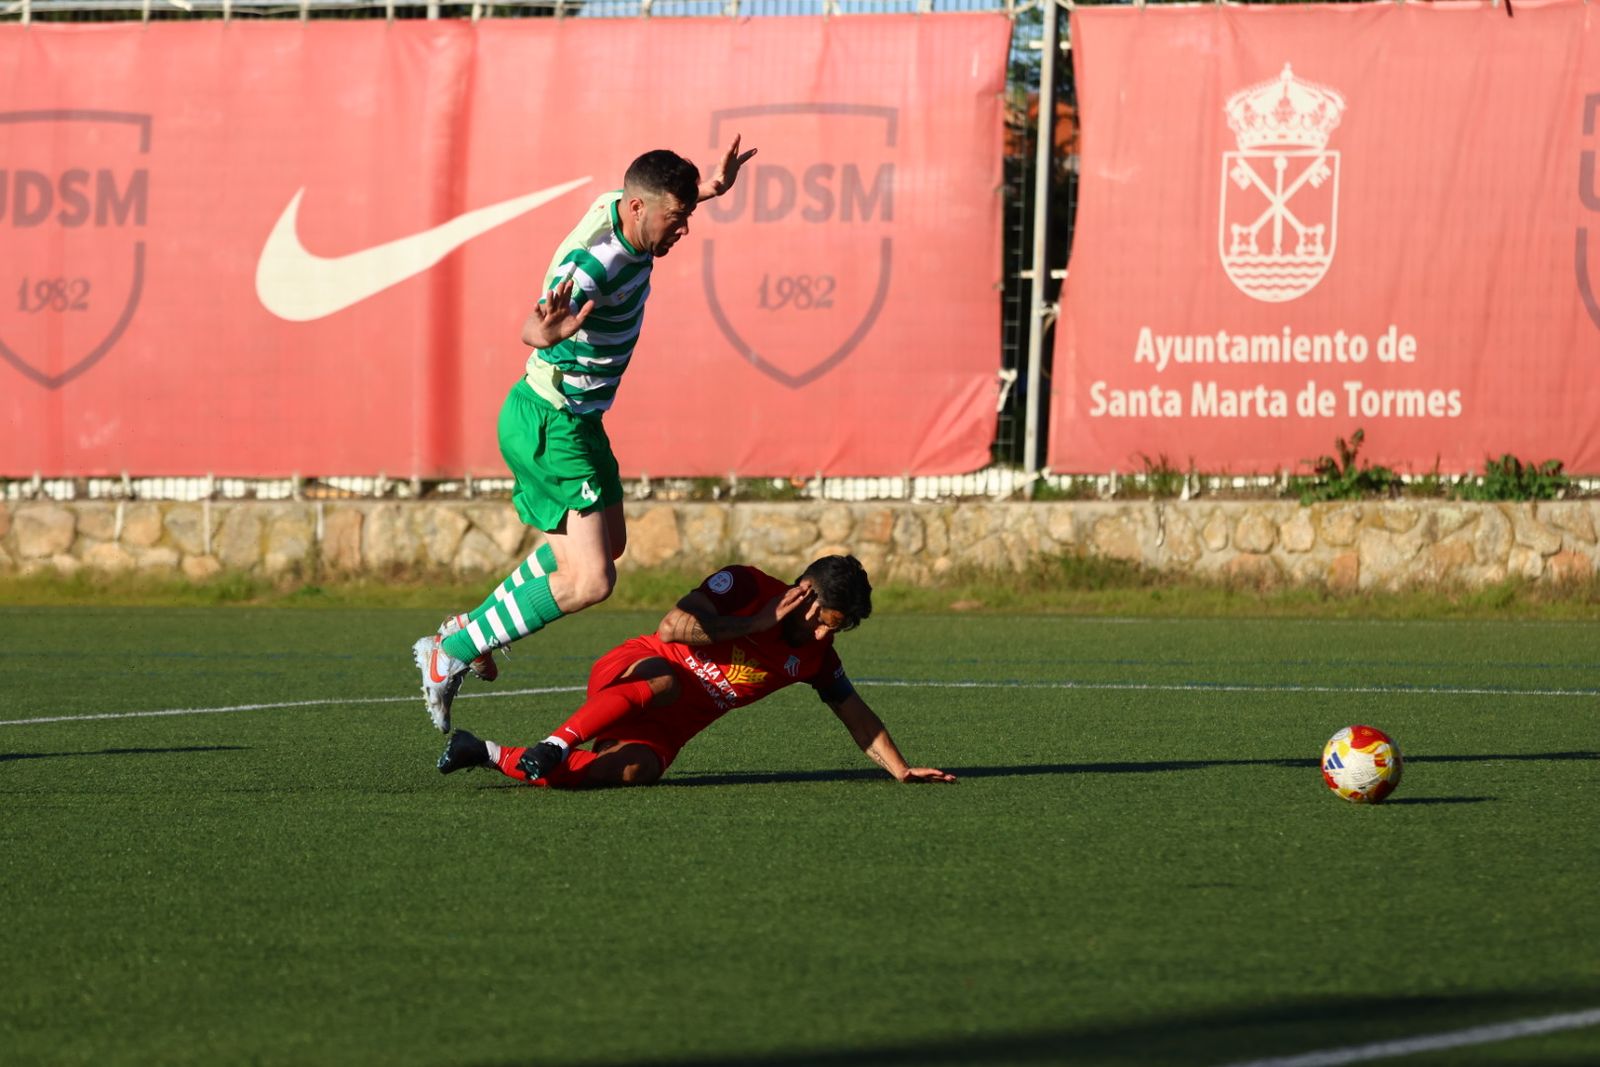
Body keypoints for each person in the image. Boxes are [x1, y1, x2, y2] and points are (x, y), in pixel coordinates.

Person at [413, 138, 758, 732]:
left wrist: (705, 191)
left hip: (578, 419)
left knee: (602, 546)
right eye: (677, 219)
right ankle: (453, 654)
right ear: (637, 210)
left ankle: (464, 631)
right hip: (551, 421)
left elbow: (650, 198)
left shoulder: (624, 211)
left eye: (685, 217)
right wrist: (539, 333)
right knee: (594, 580)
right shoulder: (597, 264)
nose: (682, 230)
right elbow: (534, 321)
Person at [435, 554, 957, 789]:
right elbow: (671, 628)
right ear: (802, 594)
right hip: (635, 675)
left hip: (665, 729)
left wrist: (900, 768)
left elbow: (856, 714)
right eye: (824, 622)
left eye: (836, 631)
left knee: (636, 773)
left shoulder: (817, 657)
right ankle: (557, 741)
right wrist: (753, 622)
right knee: (667, 679)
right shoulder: (746, 584)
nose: (825, 637)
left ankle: (484, 752)